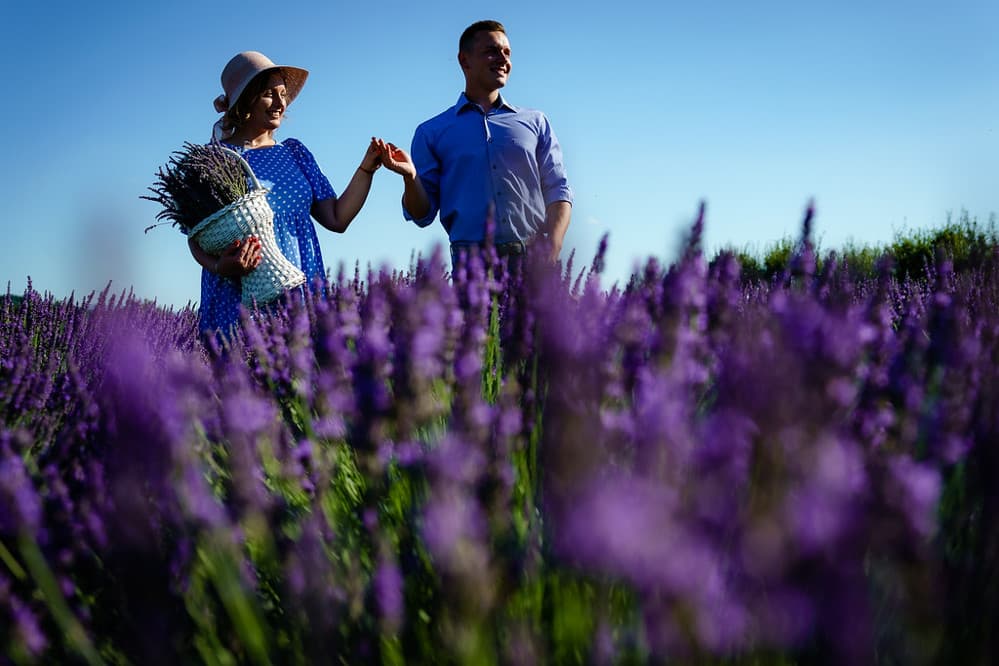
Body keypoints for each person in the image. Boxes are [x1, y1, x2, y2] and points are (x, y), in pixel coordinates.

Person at [192, 51, 382, 333]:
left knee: (302, 371)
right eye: (269, 94)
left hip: (298, 287)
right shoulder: (216, 159)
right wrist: (221, 266)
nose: (281, 103)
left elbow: (336, 218)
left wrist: (366, 169)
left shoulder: (295, 153)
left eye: (283, 94)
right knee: (242, 371)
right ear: (245, 100)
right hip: (238, 295)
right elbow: (196, 236)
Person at [375, 20, 573, 268]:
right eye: (491, 51)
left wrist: (552, 245)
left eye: (507, 52)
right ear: (464, 61)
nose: (503, 59)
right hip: (471, 266)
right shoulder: (431, 132)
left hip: (534, 262)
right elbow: (421, 214)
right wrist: (410, 177)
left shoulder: (536, 122)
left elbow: (558, 190)